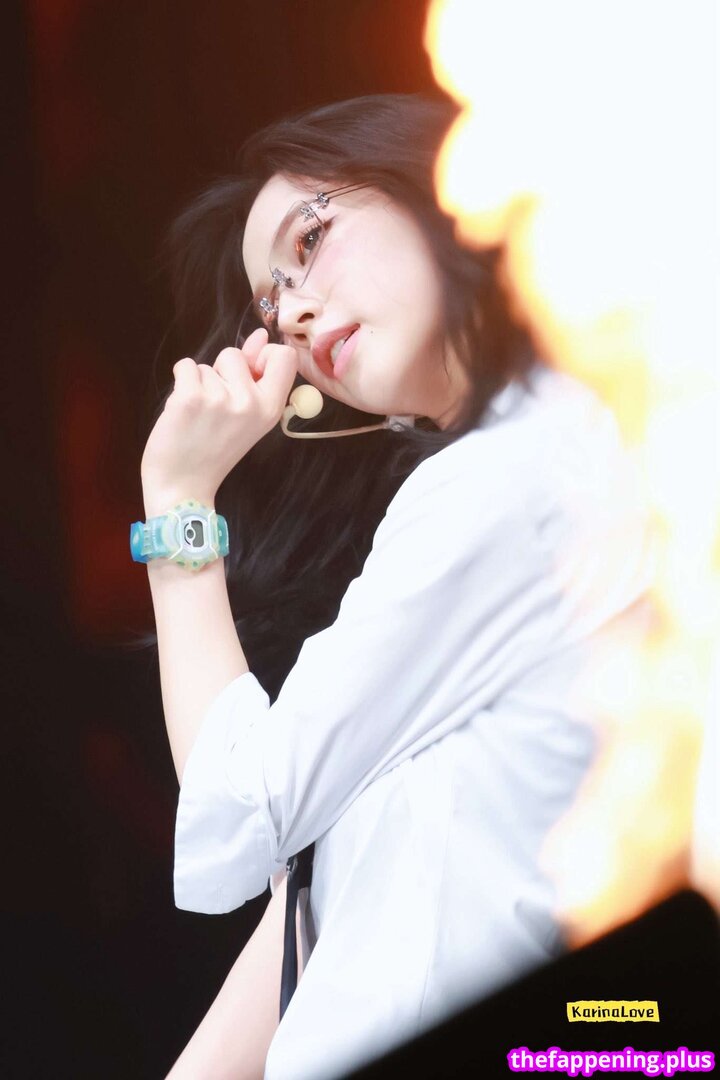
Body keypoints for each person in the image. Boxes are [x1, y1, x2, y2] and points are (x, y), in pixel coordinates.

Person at [136, 94, 655, 1079]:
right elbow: (307, 912)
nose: (291, 312)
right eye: (271, 306)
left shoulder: (514, 473)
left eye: (310, 239)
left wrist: (178, 508)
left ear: (436, 184)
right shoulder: (504, 478)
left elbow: (243, 812)